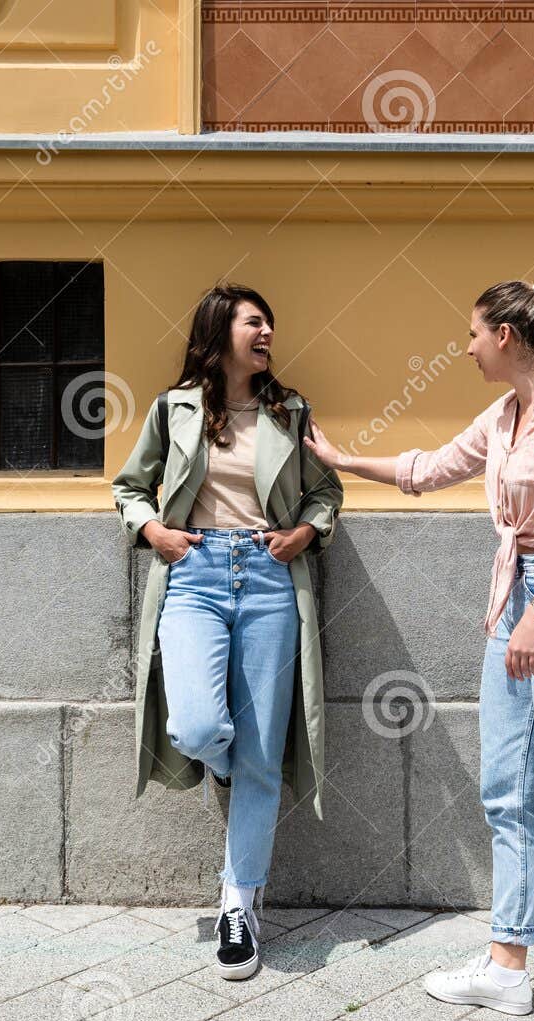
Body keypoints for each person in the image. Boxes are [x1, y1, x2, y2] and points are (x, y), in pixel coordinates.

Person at [305, 279, 534, 1021]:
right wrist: (342, 460)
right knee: (505, 792)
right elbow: (430, 468)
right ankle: (507, 965)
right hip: (516, 602)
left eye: (473, 334)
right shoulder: (509, 413)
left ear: (509, 337)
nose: (465, 348)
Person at [112, 283, 342, 981]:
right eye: (252, 321)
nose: (267, 330)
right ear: (218, 334)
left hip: (271, 578)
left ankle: (238, 904)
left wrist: (304, 533)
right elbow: (130, 486)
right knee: (196, 726)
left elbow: (327, 492)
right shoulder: (172, 408)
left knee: (263, 757)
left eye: (270, 319)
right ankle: (218, 761)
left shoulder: (289, 408)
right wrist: (155, 531)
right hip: (195, 574)